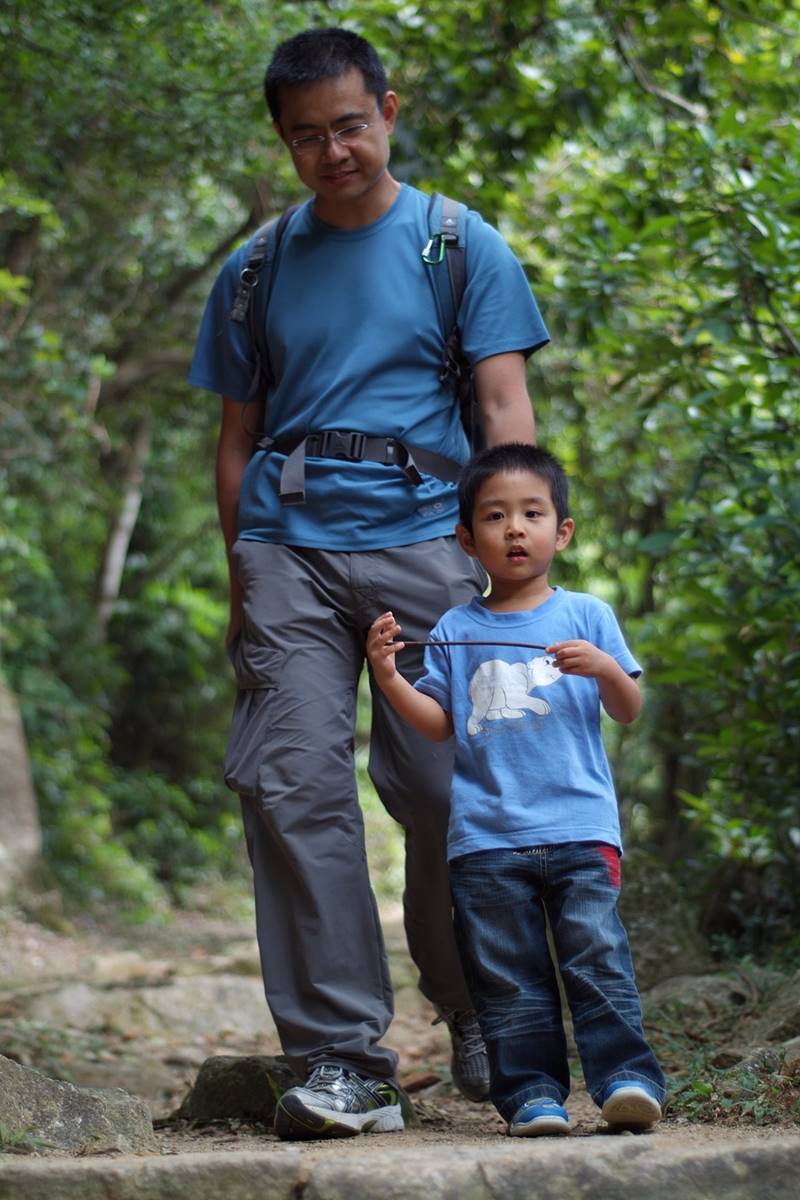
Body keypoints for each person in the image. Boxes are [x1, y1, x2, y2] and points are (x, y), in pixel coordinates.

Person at [188, 27, 550, 1141]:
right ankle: (342, 1058)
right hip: (287, 550)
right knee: (292, 782)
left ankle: (475, 999)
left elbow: (503, 410)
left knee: (450, 787)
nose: (333, 150)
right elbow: (237, 438)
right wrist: (242, 572)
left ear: (387, 112)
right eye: (306, 136)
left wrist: (512, 564)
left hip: (430, 544)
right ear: (283, 142)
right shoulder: (255, 269)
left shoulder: (458, 246)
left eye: (349, 124)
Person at [367, 443, 666, 1137]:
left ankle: (625, 1080)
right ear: (468, 540)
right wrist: (387, 677)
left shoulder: (587, 615)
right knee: (507, 978)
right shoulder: (456, 628)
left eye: (532, 513)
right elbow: (440, 723)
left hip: (581, 829)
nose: (514, 529)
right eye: (495, 516)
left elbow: (628, 709)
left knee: (597, 959)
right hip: (486, 839)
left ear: (563, 531)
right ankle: (532, 1095)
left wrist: (604, 669)